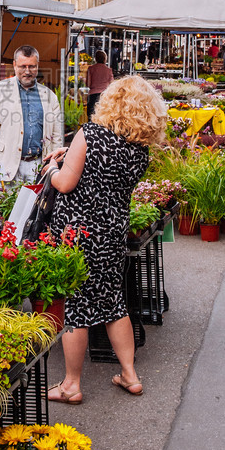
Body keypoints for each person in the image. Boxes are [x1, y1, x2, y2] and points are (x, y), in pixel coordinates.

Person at [43, 76, 167, 402]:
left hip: (80, 232)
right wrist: (70, 153)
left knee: (77, 307)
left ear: (111, 101)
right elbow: (105, 171)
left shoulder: (91, 133)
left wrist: (51, 170)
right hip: (113, 230)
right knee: (114, 302)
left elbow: (67, 183)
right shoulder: (140, 150)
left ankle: (71, 384)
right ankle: (129, 373)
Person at [0, 44, 63, 185]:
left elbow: (56, 136)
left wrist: (54, 163)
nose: (27, 71)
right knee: (3, 205)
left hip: (38, 165)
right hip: (5, 162)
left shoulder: (49, 96)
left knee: (34, 207)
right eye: (23, 66)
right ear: (15, 65)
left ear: (38, 65)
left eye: (32, 66)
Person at [85, 50, 113, 118]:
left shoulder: (91, 69)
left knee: (91, 116)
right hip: (104, 95)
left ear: (96, 58)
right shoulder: (109, 70)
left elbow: (88, 84)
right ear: (105, 59)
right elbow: (112, 84)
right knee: (103, 117)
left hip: (93, 96)